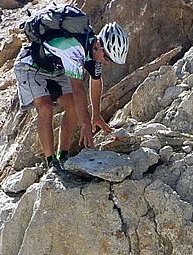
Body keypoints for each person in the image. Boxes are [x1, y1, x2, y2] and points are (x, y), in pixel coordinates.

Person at [14, 18, 129, 173]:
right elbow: (78, 90)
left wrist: (96, 114)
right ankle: (52, 162)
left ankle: (64, 155)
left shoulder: (96, 52)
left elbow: (96, 81)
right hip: (31, 66)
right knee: (45, 107)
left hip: (58, 67)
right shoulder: (74, 48)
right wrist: (86, 125)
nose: (107, 62)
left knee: (73, 107)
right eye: (107, 58)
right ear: (99, 45)